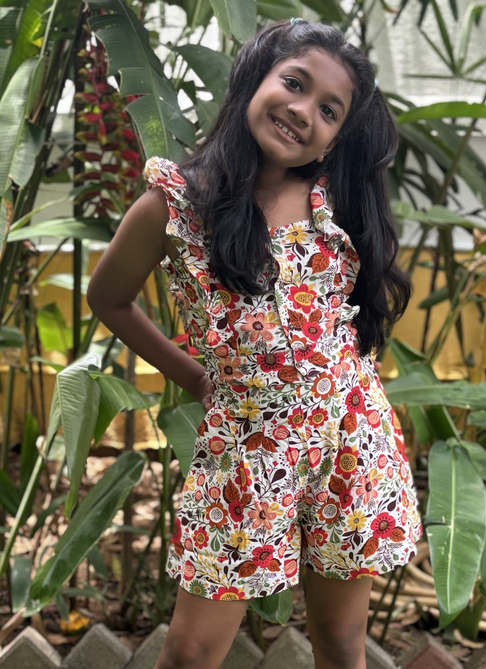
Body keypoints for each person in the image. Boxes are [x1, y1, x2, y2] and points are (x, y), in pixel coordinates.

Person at [87, 18, 423, 669]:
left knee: (341, 641)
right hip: (245, 446)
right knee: (189, 651)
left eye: (328, 110)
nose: (302, 112)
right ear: (253, 79)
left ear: (335, 135)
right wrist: (194, 376)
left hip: (348, 440)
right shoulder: (175, 204)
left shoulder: (336, 200)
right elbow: (109, 298)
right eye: (293, 84)